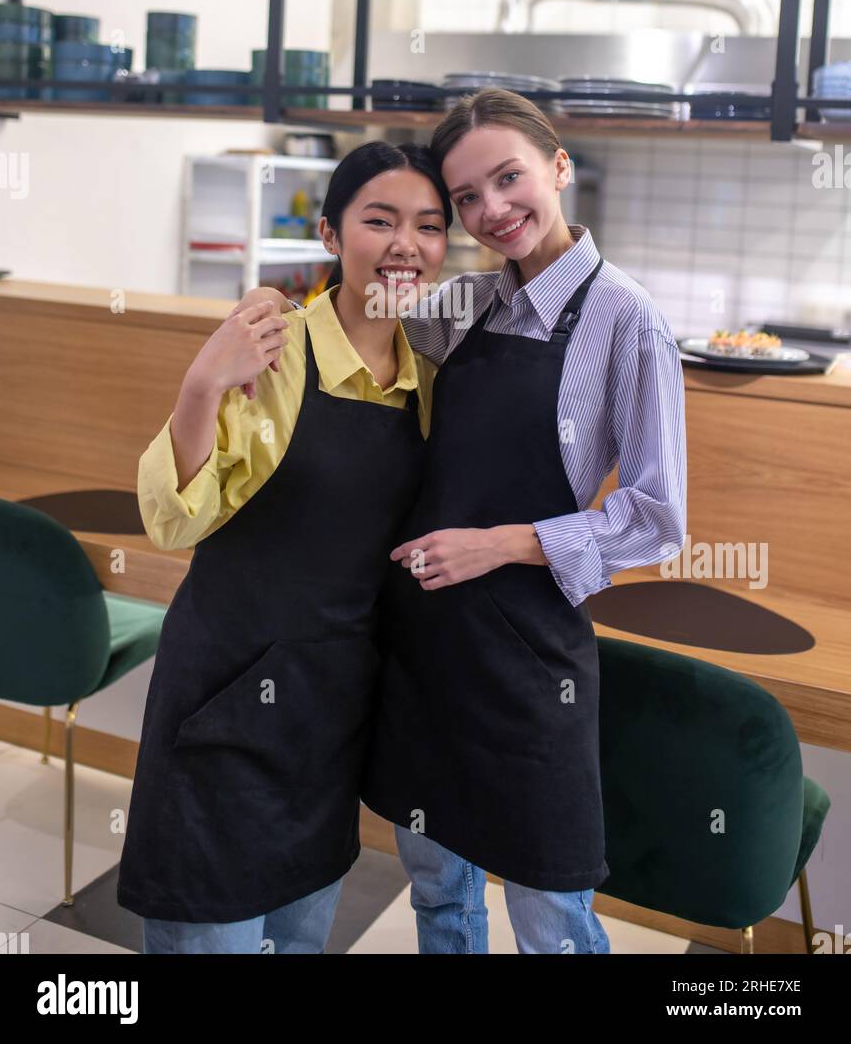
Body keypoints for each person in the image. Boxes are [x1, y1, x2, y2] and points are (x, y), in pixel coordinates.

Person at [241, 87, 687, 955]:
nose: (493, 211)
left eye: (509, 178)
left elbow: (657, 518)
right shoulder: (467, 303)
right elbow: (355, 319)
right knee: (440, 900)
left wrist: (504, 544)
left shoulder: (625, 318)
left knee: (553, 921)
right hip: (422, 649)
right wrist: (269, 311)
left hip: (527, 664)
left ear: (559, 167)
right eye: (468, 199)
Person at [116, 141, 451, 953]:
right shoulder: (273, 350)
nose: (406, 244)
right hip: (225, 698)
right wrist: (201, 385)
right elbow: (173, 518)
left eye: (429, 226)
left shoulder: (432, 377)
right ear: (332, 236)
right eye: (379, 220)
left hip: (328, 718)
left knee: (300, 938)